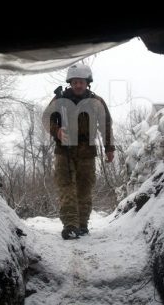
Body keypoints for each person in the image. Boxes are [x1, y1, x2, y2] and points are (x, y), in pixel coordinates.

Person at [42, 64, 115, 240]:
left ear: (87, 83)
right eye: (75, 82)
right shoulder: (59, 99)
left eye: (81, 82)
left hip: (87, 152)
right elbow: (46, 118)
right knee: (66, 188)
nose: (78, 85)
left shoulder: (96, 101)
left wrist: (109, 148)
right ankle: (70, 225)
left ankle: (82, 224)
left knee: (84, 188)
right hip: (63, 151)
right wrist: (57, 131)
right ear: (70, 83)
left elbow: (106, 125)